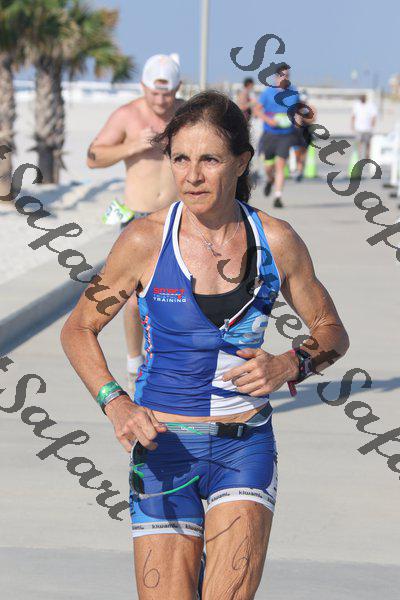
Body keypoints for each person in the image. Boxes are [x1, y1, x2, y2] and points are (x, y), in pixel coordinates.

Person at [61, 90, 349, 599]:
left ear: (241, 161)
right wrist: (115, 402)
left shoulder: (275, 240)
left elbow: (331, 330)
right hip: (163, 450)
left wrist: (291, 363)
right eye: (180, 159)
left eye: (209, 160)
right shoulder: (144, 241)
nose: (192, 175)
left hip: (244, 448)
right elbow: (78, 328)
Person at [86, 53, 183, 389]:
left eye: (167, 93)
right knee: (132, 298)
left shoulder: (187, 114)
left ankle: (174, 363)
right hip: (139, 219)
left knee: (181, 295)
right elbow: (93, 156)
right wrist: (132, 145)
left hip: (180, 216)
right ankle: (134, 364)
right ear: (143, 87)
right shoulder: (127, 115)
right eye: (154, 93)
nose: (161, 100)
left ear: (178, 89)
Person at [254, 63, 299, 208]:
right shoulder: (267, 93)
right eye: (282, 75)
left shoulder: (294, 92)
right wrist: (268, 120)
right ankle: (270, 180)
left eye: (287, 76)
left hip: (286, 135)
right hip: (270, 134)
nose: (285, 78)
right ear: (276, 77)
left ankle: (278, 196)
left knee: (281, 166)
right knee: (269, 167)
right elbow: (257, 110)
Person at [291, 90, 317, 181]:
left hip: (306, 132)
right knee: (296, 151)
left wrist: (304, 118)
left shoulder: (311, 108)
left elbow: (313, 119)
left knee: (304, 153)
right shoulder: (295, 108)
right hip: (296, 133)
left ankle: (300, 171)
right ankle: (296, 169)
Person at [351, 94, 378, 160]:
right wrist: (352, 125)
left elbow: (374, 116)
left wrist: (373, 125)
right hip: (359, 128)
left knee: (368, 143)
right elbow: (353, 116)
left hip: (368, 128)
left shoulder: (371, 105)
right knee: (358, 143)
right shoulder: (356, 105)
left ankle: (367, 156)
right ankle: (359, 156)